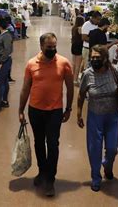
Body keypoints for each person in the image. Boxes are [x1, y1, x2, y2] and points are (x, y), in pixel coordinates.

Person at [18, 33, 74, 197]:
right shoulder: (31, 64)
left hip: (55, 111)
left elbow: (70, 88)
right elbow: (25, 88)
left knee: (53, 144)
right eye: (49, 47)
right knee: (39, 143)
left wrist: (69, 109)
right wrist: (20, 110)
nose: (52, 50)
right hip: (35, 110)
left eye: (54, 46)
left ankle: (50, 179)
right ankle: (42, 172)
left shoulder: (64, 63)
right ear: (41, 46)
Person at [77, 45, 118, 192]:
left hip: (113, 116)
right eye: (92, 58)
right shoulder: (87, 74)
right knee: (94, 149)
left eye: (98, 58)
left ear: (104, 58)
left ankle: (107, 165)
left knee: (112, 149)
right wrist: (78, 113)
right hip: (95, 117)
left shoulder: (114, 71)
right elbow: (81, 94)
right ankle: (96, 178)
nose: (94, 60)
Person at [0, 16, 14, 113]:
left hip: (4, 61)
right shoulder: (4, 35)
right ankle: (5, 100)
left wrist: (1, 61)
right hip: (3, 60)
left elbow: (7, 50)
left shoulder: (6, 36)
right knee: (5, 81)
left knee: (1, 82)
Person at [71, 16, 85, 85]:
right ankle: (75, 80)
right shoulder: (80, 28)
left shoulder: (73, 28)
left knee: (74, 63)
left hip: (73, 45)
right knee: (78, 65)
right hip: (79, 46)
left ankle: (73, 78)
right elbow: (83, 38)